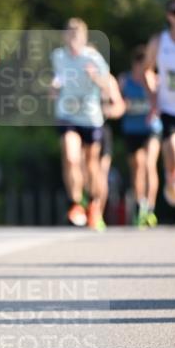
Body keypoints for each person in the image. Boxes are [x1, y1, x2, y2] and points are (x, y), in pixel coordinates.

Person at [50, 19, 110, 230]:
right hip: (67, 115)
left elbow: (107, 85)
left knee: (91, 164)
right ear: (65, 37)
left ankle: (93, 204)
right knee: (70, 156)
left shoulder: (93, 57)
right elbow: (58, 78)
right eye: (70, 35)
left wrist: (95, 77)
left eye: (77, 36)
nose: (73, 40)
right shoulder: (58, 56)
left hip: (91, 117)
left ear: (84, 38)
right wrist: (54, 88)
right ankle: (75, 203)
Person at [143, 0, 175, 222]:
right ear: (169, 16)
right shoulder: (160, 42)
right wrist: (153, 99)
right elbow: (147, 70)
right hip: (169, 109)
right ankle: (172, 176)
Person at [118, 46, 162, 227]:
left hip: (151, 128)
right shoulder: (125, 80)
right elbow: (115, 101)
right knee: (137, 167)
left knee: (149, 163)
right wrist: (122, 104)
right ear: (134, 65)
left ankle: (150, 208)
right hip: (131, 129)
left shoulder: (155, 80)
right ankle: (139, 205)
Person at [92, 72, 126, 230]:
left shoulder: (107, 79)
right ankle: (86, 204)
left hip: (101, 129)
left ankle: (97, 212)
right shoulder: (72, 77)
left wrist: (108, 111)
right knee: (87, 172)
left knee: (102, 173)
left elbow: (120, 106)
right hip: (80, 129)